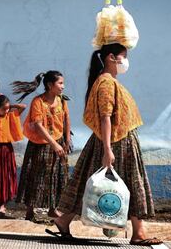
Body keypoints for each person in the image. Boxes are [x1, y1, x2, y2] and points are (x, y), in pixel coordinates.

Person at [49, 43, 162, 246]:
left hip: (113, 140)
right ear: (111, 57)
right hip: (116, 142)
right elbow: (105, 117)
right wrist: (108, 150)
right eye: (123, 56)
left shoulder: (107, 81)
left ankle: (63, 220)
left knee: (90, 182)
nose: (126, 61)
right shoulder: (107, 83)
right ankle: (139, 233)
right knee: (131, 184)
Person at [12, 70, 71, 221]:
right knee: (36, 176)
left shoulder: (62, 100)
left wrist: (66, 140)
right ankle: (30, 211)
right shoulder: (38, 101)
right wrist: (53, 144)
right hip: (40, 144)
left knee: (57, 175)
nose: (63, 86)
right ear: (50, 85)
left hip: (58, 141)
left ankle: (53, 209)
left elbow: (66, 120)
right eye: (60, 83)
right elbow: (38, 125)